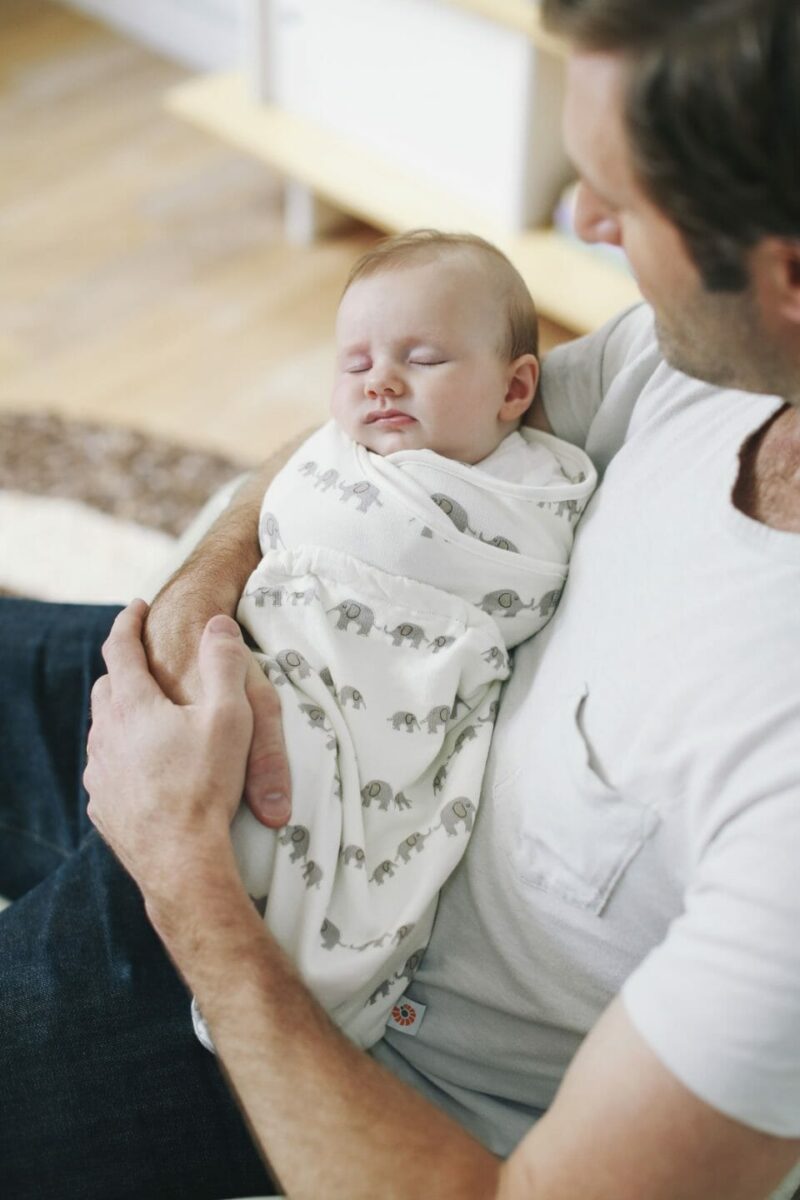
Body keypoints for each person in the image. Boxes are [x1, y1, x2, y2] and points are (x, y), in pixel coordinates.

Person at [2, 1, 800, 1197]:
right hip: (247, 716)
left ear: (787, 273)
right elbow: (390, 430)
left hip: (299, 1006)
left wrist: (183, 875)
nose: (578, 223)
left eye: (622, 203)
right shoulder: (715, 367)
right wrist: (198, 603)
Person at [216, 229, 595, 1049]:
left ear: (514, 388)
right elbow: (287, 514)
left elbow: (520, 592)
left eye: (422, 359)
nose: (380, 380)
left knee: (277, 795)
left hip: (387, 701)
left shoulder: (530, 496)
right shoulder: (343, 457)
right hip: (273, 650)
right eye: (355, 364)